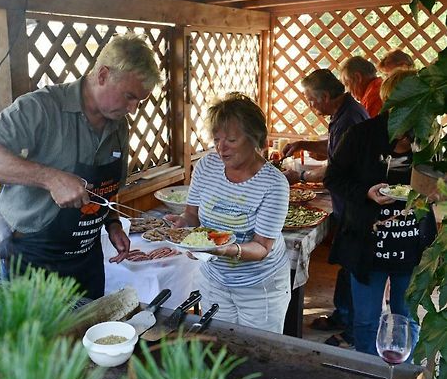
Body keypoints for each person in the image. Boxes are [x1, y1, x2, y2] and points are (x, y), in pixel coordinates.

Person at [0, 33, 161, 299]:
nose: (133, 109)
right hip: (33, 260)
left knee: (91, 338)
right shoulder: (42, 107)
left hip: (86, 262)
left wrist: (113, 224)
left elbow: (107, 187)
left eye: (139, 102)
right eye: (129, 97)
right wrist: (49, 178)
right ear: (103, 75)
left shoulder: (119, 125)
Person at [324, 69, 437, 355]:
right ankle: (368, 376)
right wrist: (366, 191)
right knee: (365, 321)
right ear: (392, 102)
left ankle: (403, 375)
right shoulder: (362, 135)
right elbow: (333, 177)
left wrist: (438, 192)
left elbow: (437, 183)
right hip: (367, 245)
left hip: (413, 245)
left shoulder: (431, 138)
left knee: (406, 317)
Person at [166, 92, 291, 333]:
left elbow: (262, 247)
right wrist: (182, 224)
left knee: (256, 352)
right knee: (219, 345)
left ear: (254, 139)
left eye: (231, 140)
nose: (221, 148)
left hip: (260, 287)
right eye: (216, 139)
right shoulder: (206, 166)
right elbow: (192, 215)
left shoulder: (273, 183)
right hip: (214, 279)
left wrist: (226, 250)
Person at [281, 69, 369, 347]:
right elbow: (333, 148)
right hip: (347, 203)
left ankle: (351, 331)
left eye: (310, 100)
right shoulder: (344, 114)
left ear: (326, 96)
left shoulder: (351, 120)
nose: (310, 105)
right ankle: (342, 316)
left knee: (354, 267)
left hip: (356, 204)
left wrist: (300, 177)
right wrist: (303, 143)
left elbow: (335, 167)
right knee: (346, 265)